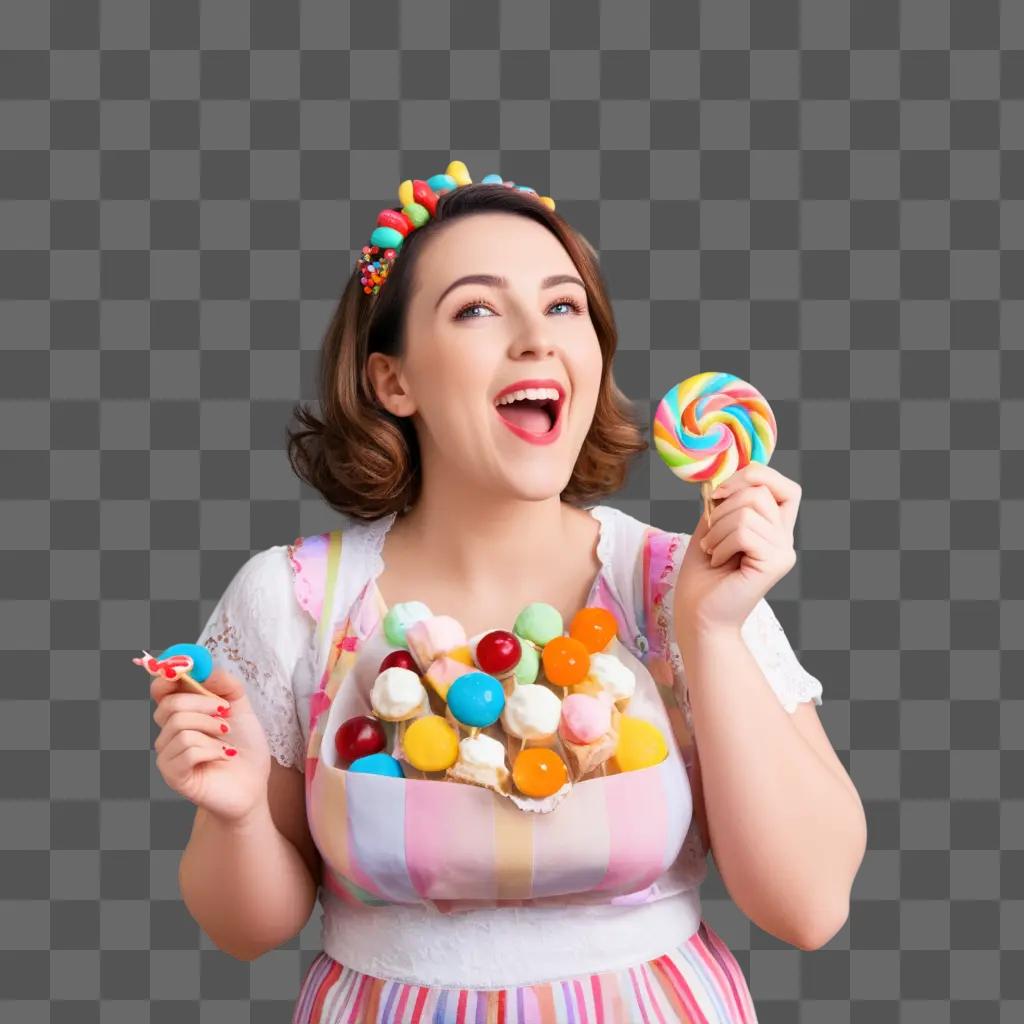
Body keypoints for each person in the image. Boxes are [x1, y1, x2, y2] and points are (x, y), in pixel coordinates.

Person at [149, 167, 866, 1022]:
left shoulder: (682, 579)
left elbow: (809, 907)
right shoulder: (298, 598)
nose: (537, 338)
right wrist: (234, 819)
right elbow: (247, 931)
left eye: (564, 306)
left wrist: (710, 632)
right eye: (477, 309)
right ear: (393, 381)